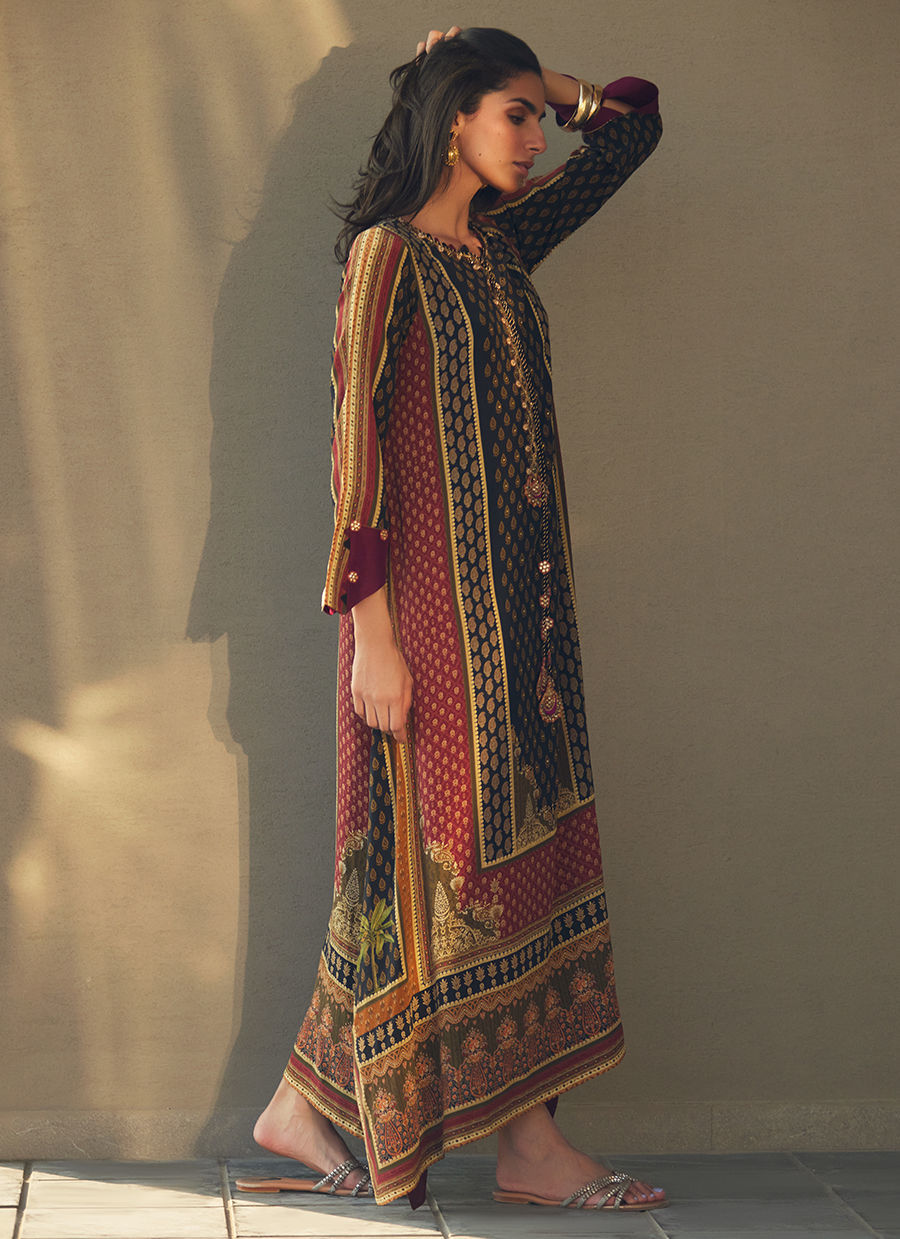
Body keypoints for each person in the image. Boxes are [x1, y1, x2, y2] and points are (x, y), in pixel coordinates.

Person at [237, 25, 665, 1212]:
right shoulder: (388, 257)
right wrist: (372, 638)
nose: (533, 137)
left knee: (512, 854)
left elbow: (634, 124)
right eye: (511, 114)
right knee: (454, 868)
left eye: (535, 115)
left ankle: (307, 1107)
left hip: (527, 624)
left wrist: (545, 79)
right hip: (424, 618)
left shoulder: (504, 245)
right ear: (453, 118)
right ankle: (525, 1147)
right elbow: (356, 449)